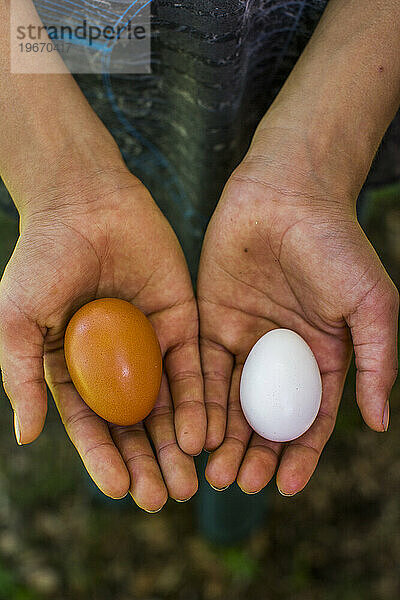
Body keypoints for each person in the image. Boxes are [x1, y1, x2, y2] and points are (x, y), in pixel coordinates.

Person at [0, 0, 398, 515]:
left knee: (210, 419)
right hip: (65, 56)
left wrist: (320, 167)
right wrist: (56, 178)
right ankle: (145, 508)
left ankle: (226, 518)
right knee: (148, 418)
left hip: (309, 67)